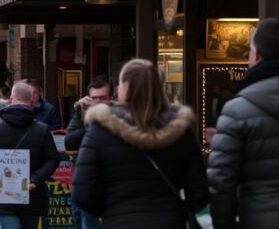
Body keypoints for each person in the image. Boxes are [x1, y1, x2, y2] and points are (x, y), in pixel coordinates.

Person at [73, 59, 208, 229]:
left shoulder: (101, 130)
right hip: (169, 220)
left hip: (119, 221)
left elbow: (83, 193)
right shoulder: (180, 130)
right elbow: (199, 192)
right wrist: (178, 210)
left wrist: (111, 209)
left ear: (123, 88)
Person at [207, 18, 279, 229]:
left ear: (256, 55)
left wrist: (224, 224)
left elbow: (221, 183)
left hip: (258, 219)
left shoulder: (237, 111)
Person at [0, 82, 59, 229]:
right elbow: (52, 159)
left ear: (10, 99)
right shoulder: (42, 129)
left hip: (4, 195)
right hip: (33, 194)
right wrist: (35, 179)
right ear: (32, 101)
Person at [63, 80, 112, 229]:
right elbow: (69, 141)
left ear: (111, 98)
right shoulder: (82, 113)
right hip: (85, 181)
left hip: (110, 181)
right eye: (94, 98)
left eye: (102, 98)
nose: (97, 102)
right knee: (81, 218)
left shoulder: (118, 117)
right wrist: (83, 114)